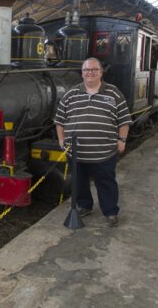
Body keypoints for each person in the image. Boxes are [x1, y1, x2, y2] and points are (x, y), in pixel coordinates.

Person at [54, 57, 132, 227]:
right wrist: (61, 140)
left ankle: (110, 211)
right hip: (76, 151)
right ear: (82, 73)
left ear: (101, 72)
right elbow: (59, 120)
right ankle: (84, 206)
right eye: (86, 70)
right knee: (79, 181)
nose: (90, 73)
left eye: (94, 70)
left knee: (106, 181)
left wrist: (122, 140)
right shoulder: (71, 94)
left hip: (104, 150)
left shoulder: (113, 93)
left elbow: (124, 119)